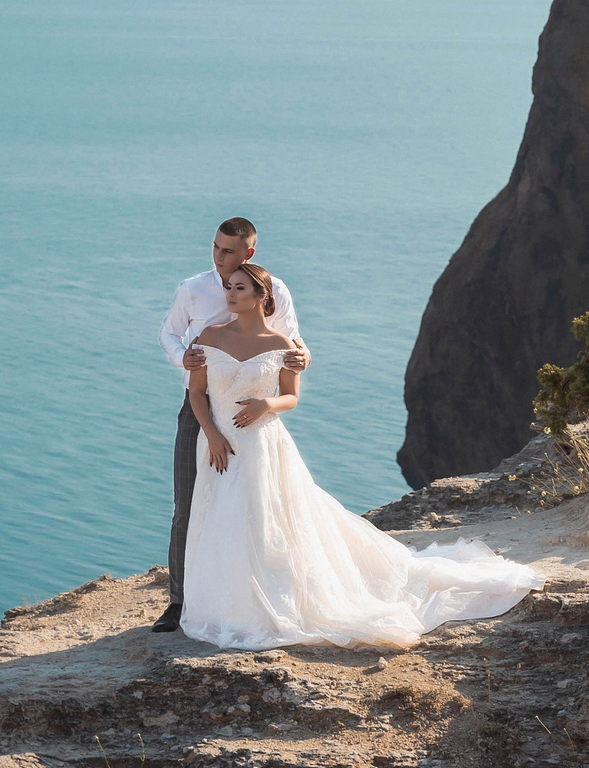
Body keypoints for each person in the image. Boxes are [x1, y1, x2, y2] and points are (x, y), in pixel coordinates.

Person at [177, 260, 542, 649]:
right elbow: (197, 394)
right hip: (218, 443)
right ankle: (225, 604)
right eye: (229, 288)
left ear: (261, 297)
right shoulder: (208, 337)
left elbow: (291, 397)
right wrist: (213, 435)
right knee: (219, 515)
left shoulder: (283, 345)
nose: (230, 294)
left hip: (263, 444)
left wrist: (267, 404)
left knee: (264, 519)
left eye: (239, 289)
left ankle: (270, 598)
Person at [154, 217, 307, 631]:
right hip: (201, 408)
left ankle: (261, 594)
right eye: (215, 248)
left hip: (256, 419)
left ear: (249, 253)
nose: (219, 258)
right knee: (188, 504)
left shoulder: (275, 289)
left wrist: (301, 360)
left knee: (259, 506)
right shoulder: (193, 288)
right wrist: (180, 357)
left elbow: (293, 342)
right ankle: (179, 602)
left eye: (229, 251)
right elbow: (169, 334)